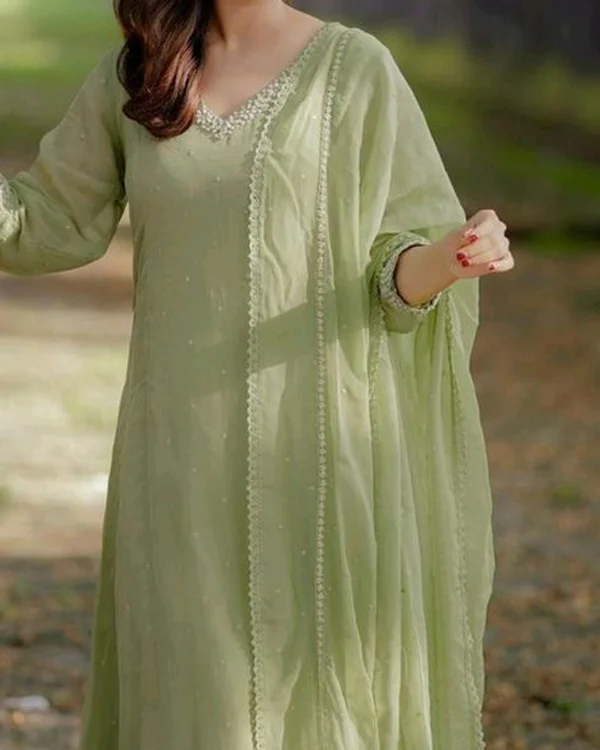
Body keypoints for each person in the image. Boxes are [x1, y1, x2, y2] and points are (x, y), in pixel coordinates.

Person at [0, 1, 514, 748]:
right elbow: (41, 221)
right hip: (176, 461)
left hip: (317, 454)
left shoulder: (355, 71)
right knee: (194, 700)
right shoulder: (140, 75)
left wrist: (447, 259)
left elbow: (393, 272)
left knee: (314, 691)